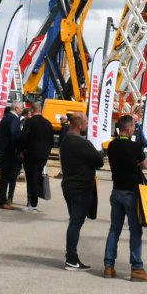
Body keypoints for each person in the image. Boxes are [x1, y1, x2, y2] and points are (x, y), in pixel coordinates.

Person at [103, 113, 147, 281]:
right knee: (135, 230)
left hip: (116, 190)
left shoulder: (111, 145)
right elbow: (145, 164)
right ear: (129, 128)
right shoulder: (134, 147)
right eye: (133, 126)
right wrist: (140, 161)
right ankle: (137, 268)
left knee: (114, 229)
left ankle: (109, 266)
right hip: (131, 192)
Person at [59, 111, 104, 270]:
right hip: (81, 188)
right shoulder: (82, 143)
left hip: (69, 185)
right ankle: (71, 258)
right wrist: (99, 150)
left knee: (74, 221)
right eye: (85, 124)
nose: (87, 127)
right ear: (79, 125)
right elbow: (99, 161)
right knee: (75, 223)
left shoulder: (65, 141)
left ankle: (72, 256)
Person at [18, 106, 54, 211]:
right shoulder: (48, 123)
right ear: (41, 111)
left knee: (31, 178)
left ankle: (32, 204)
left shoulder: (29, 122)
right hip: (43, 155)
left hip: (31, 154)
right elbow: (51, 141)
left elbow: (23, 138)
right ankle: (34, 203)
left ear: (32, 111)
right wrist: (47, 153)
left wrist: (20, 150)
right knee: (37, 177)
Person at [0, 101, 24, 209]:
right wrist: (17, 148)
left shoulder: (5, 117)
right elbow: (13, 133)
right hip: (9, 152)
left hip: (3, 150)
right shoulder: (14, 119)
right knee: (6, 177)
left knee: (3, 177)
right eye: (21, 109)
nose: (22, 111)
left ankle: (1, 200)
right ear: (17, 108)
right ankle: (2, 201)